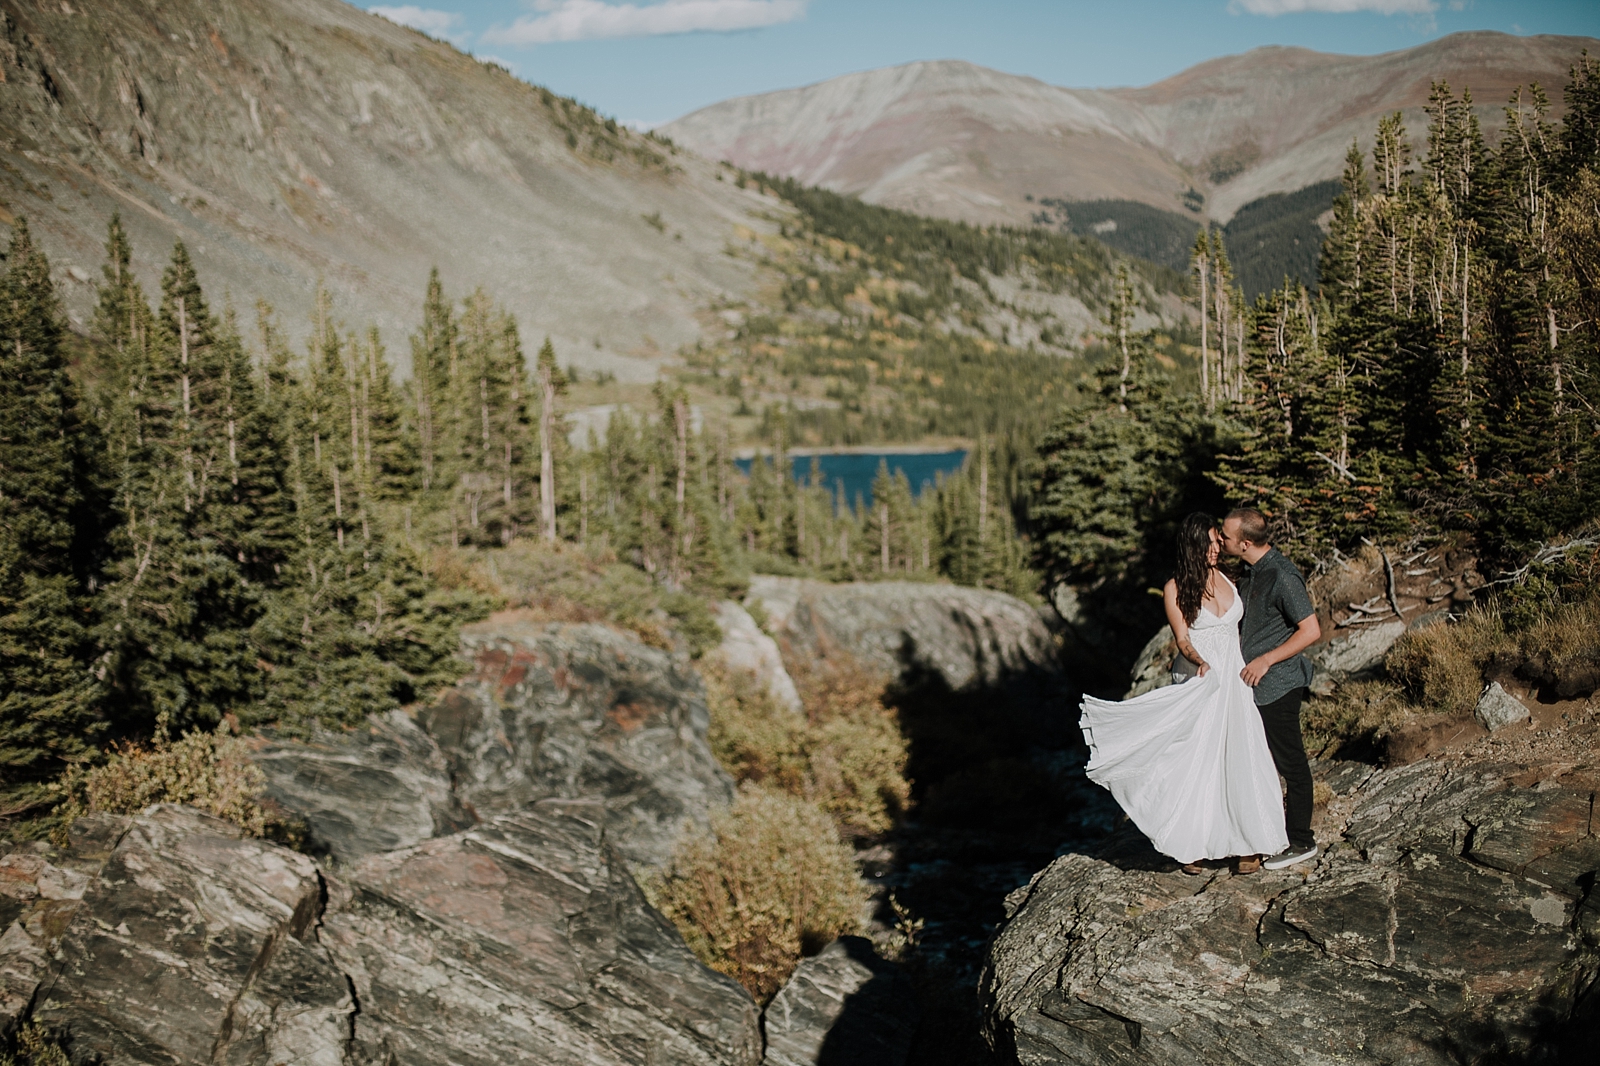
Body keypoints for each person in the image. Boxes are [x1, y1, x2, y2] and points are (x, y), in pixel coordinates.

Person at [1079, 513, 1288, 874]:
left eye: (1216, 540)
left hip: (1235, 677)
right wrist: (1199, 661)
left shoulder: (1228, 576)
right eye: (1207, 542)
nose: (1215, 547)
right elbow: (1182, 640)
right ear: (1192, 546)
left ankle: (1249, 843)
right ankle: (1188, 843)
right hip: (1200, 676)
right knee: (1196, 758)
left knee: (1243, 752)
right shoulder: (1175, 588)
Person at [1219, 507, 1322, 871]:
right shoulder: (1252, 571)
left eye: (1226, 536)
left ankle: (1301, 841)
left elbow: (1311, 630)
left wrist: (1266, 660)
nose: (1220, 539)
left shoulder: (1282, 576)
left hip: (1278, 685)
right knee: (1261, 763)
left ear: (1245, 543)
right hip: (1255, 687)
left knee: (1291, 764)